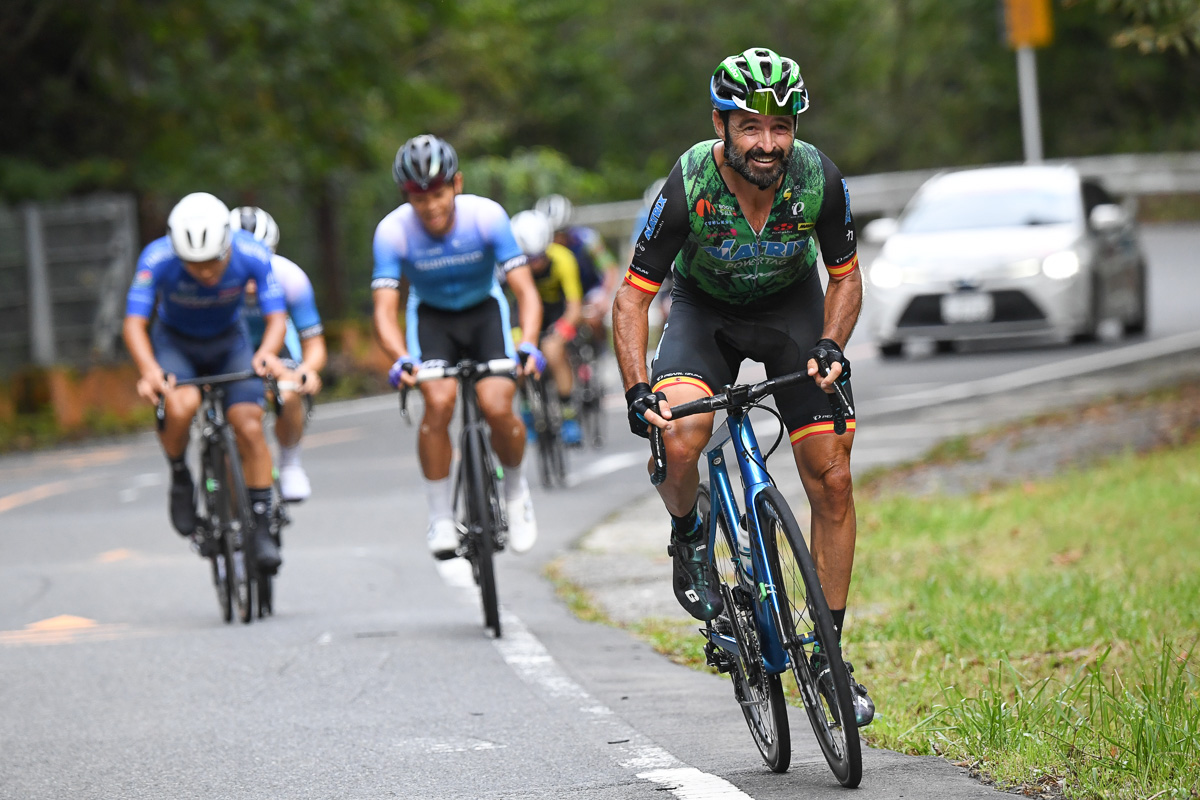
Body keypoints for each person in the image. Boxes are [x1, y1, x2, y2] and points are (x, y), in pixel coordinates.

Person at [611, 47, 874, 727]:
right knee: (679, 434)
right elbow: (632, 299)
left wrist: (830, 346)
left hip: (791, 313)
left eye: (780, 127)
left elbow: (845, 276)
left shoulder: (818, 178)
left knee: (833, 474)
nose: (767, 143)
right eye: (750, 126)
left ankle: (828, 655)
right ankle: (688, 527)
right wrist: (639, 388)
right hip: (706, 315)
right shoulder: (688, 181)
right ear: (720, 123)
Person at [371, 134, 545, 559]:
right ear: (405, 195)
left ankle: (517, 493)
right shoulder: (392, 232)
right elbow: (384, 310)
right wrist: (402, 359)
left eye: (439, 192)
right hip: (432, 319)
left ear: (457, 184)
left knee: (498, 405)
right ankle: (440, 518)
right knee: (439, 401)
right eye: (419, 196)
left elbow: (525, 293)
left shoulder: (487, 218)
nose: (431, 205)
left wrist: (530, 345)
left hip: (485, 312)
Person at [123, 192, 286, 572]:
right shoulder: (156, 258)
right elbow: (134, 323)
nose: (207, 272)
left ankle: (260, 526)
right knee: (181, 405)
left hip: (231, 342)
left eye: (213, 261)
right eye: (194, 265)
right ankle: (180, 474)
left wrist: (266, 353)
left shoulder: (252, 253)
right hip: (176, 345)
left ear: (228, 246)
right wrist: (150, 370)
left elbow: (275, 317)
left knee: (247, 422)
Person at [230, 206, 327, 502]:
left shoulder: (290, 278)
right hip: (229, 347)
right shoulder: (210, 281)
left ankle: (290, 463)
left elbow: (313, 344)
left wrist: (307, 370)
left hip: (278, 348)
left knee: (288, 390)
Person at [509, 209, 585, 446]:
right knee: (516, 356)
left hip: (555, 313)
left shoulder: (563, 259)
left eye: (540, 257)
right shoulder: (508, 264)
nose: (536, 264)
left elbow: (574, 306)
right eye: (529, 260)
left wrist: (561, 333)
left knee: (553, 352)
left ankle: (568, 416)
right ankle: (527, 410)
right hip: (520, 314)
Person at [534, 193, 619, 338]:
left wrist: (605, 295)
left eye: (558, 233)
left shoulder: (587, 239)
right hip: (562, 293)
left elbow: (609, 268)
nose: (554, 240)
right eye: (550, 234)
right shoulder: (540, 247)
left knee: (593, 314)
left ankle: (601, 349)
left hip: (589, 288)